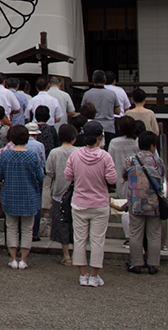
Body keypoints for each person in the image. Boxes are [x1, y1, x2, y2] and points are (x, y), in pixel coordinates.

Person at [65, 121, 118, 287]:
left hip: (80, 202)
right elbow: (112, 179)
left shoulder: (75, 155)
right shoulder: (105, 156)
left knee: (79, 239)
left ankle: (83, 274)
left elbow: (68, 176)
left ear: (84, 136)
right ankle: (94, 276)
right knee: (97, 240)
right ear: (100, 137)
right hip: (99, 203)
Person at [0, 124, 44, 270]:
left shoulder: (5, 155)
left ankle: (13, 258)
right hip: (29, 195)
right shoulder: (32, 156)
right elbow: (40, 176)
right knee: (27, 228)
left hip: (10, 194)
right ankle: (23, 259)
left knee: (11, 226)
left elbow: (0, 175)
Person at [124, 130, 167, 274]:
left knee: (135, 233)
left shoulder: (130, 160)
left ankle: (136, 263)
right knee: (154, 234)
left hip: (136, 201)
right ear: (153, 146)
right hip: (154, 202)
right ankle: (153, 263)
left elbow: (124, 176)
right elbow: (161, 175)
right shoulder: (158, 161)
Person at [46, 123, 79, 266]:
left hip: (59, 190)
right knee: (77, 223)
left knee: (61, 222)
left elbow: (49, 172)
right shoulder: (79, 152)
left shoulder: (54, 152)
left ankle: (66, 254)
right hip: (77, 192)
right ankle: (77, 252)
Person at [81, 71, 119, 146]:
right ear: (105, 81)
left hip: (92, 127)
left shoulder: (87, 94)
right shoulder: (112, 94)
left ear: (93, 81)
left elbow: (83, 111)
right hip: (109, 127)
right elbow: (118, 111)